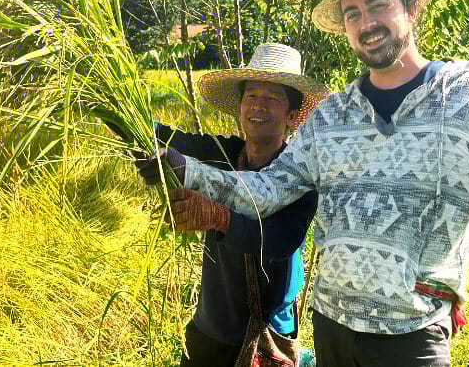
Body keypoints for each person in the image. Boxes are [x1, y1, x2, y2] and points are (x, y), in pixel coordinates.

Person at [148, 0, 469, 366]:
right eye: (353, 14)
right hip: (331, 327)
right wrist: (183, 169)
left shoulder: (468, 99)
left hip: (412, 334)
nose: (367, 24)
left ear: (412, 9)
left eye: (378, 5)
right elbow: (268, 188)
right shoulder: (331, 118)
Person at [135, 43, 330, 366]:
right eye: (251, 96)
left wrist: (218, 216)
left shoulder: (300, 177)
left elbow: (277, 242)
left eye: (271, 99)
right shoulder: (224, 153)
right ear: (239, 107)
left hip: (265, 335)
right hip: (211, 325)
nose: (258, 105)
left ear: (293, 117)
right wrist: (122, 114)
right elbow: (163, 138)